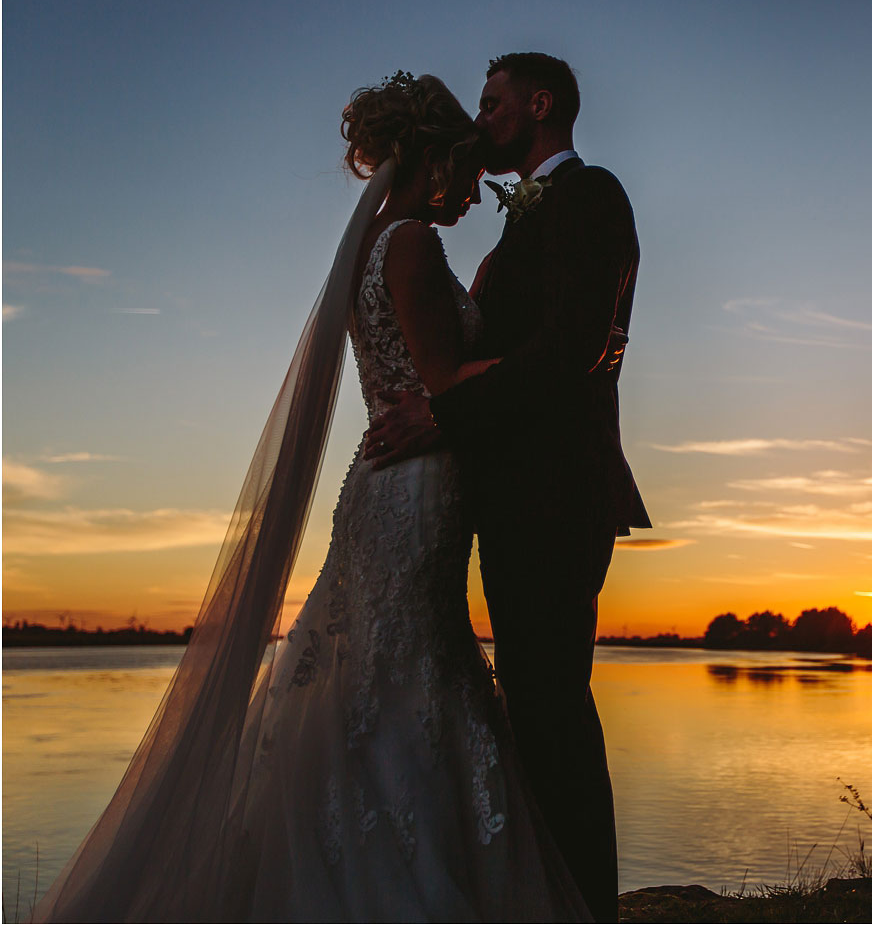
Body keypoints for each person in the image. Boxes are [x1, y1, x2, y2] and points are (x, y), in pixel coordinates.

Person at [33, 72, 590, 922]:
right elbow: (441, 378)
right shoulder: (409, 243)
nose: (477, 191)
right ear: (435, 160)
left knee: (380, 673)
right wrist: (551, 366)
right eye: (468, 171)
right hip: (416, 483)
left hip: (386, 484)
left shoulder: (376, 244)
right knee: (411, 669)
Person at [364, 52, 649, 922]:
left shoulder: (593, 196)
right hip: (511, 498)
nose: (481, 118)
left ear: (540, 103)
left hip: (561, 492)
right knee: (531, 702)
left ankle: (587, 904)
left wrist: (444, 417)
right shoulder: (511, 230)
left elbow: (573, 352)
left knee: (553, 703)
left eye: (492, 103)